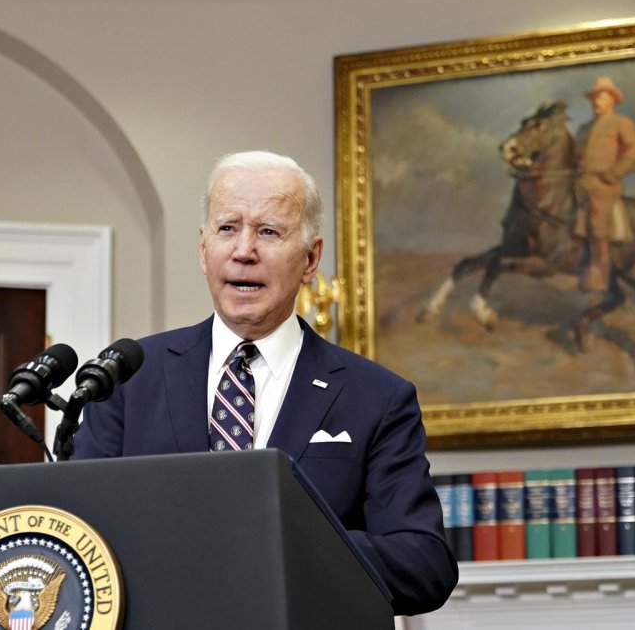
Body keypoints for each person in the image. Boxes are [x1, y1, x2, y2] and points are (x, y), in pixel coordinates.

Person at [72, 150, 458, 616]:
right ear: (203, 249)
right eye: (227, 228)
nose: (243, 251)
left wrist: (281, 545)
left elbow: (423, 565)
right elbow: (82, 533)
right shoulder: (127, 379)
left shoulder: (376, 397)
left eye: (269, 231)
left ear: (310, 258)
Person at [574, 76, 635, 292]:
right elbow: (577, 154)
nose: (597, 102)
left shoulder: (620, 123)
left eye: (602, 98)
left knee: (597, 222)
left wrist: (616, 172)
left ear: (613, 100)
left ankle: (600, 273)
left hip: (604, 184)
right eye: (595, 98)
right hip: (580, 181)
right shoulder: (584, 128)